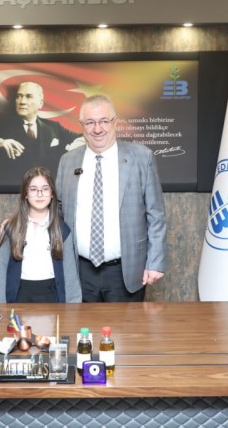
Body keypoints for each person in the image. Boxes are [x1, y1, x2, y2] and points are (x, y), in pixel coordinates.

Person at [56, 94, 167, 302]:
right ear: (81, 125)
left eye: (104, 121)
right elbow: (57, 210)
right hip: (80, 271)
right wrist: (19, 222)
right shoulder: (68, 161)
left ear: (115, 122)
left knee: (126, 324)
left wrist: (155, 262)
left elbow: (156, 214)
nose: (97, 129)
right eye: (90, 122)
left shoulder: (141, 157)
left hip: (127, 271)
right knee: (82, 324)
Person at [0, 166, 82, 303]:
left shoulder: (62, 230)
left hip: (53, 297)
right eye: (33, 189)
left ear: (52, 193)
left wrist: (73, 308)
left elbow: (71, 277)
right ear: (25, 194)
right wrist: (0, 306)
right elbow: (1, 273)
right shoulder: (11, 229)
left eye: (45, 189)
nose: (39, 194)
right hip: (19, 297)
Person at [0, 82, 83, 178]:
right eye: (19, 96)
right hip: (13, 186)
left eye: (29, 96)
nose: (22, 101)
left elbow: (81, 137)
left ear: (40, 103)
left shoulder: (53, 127)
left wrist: (73, 148)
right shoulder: (1, 125)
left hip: (47, 186)